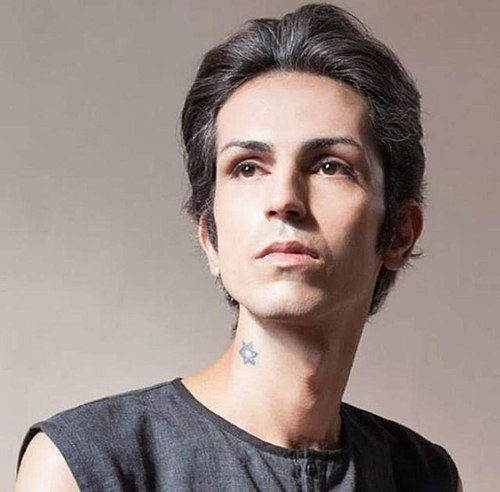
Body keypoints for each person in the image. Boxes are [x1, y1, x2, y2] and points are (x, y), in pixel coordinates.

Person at [15, 4, 462, 491]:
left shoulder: (424, 475)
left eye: (330, 166)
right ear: (210, 235)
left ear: (399, 233)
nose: (284, 200)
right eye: (247, 167)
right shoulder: (85, 467)